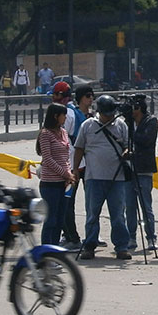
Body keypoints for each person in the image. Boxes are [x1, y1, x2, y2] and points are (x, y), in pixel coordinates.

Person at [73, 95, 131, 260]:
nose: (110, 116)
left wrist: (127, 152)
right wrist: (75, 169)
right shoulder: (88, 125)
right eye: (106, 114)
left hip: (117, 177)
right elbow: (79, 148)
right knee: (92, 213)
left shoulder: (121, 125)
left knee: (118, 214)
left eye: (112, 113)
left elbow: (127, 145)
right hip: (94, 177)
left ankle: (121, 247)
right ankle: (90, 246)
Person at [36, 103, 76, 245]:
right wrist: (65, 174)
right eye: (63, 115)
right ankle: (46, 250)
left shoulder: (63, 132)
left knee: (60, 219)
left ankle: (55, 249)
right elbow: (48, 159)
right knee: (51, 219)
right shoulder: (45, 134)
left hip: (64, 183)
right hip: (50, 184)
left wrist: (69, 175)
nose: (65, 118)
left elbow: (66, 156)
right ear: (55, 116)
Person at [125, 96, 158, 252]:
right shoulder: (126, 122)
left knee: (146, 206)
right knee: (129, 206)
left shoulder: (150, 121)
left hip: (144, 169)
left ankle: (151, 237)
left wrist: (131, 130)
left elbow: (145, 140)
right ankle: (130, 237)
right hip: (128, 169)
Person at [59, 83, 90, 247]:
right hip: (79, 165)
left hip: (72, 168)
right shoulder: (75, 112)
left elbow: (66, 142)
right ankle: (84, 236)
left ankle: (72, 238)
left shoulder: (68, 113)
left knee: (66, 202)